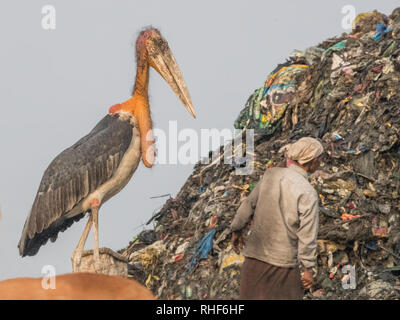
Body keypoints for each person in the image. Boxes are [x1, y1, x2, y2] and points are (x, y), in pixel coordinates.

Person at [230, 137, 324, 300]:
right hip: (282, 266)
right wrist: (308, 269)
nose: (321, 162)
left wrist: (236, 230)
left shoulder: (271, 174)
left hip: (254, 260)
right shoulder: (307, 192)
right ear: (312, 161)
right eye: (320, 158)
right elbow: (307, 234)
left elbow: (248, 205)